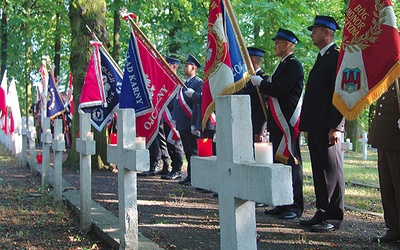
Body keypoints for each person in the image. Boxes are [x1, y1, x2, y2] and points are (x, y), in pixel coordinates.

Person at [251, 28, 304, 219]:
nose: (275, 46)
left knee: (291, 163)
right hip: (277, 122)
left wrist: (262, 84)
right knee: (279, 162)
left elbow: (281, 90)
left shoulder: (293, 65)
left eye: (278, 42)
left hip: (287, 121)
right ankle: (282, 202)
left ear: (287, 45)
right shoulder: (283, 64)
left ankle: (295, 205)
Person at [299, 15, 345, 232]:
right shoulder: (322, 57)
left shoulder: (336, 57)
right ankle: (322, 210)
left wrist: (336, 125)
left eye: (315, 30)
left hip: (328, 125)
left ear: (327, 33)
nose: (311, 34)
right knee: (319, 171)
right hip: (316, 125)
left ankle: (334, 215)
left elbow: (341, 93)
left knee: (331, 170)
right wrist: (307, 126)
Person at [368, 80, 400, 243]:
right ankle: (394, 228)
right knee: (387, 186)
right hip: (384, 134)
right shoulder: (389, 70)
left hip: (396, 135)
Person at [174, 54, 203, 186]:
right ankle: (190, 176)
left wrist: (195, 123)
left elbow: (199, 104)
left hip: (191, 122)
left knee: (194, 151)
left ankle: (195, 176)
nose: (184, 68)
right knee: (187, 150)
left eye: (187, 66)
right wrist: (175, 118)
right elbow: (177, 103)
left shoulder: (198, 83)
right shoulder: (183, 84)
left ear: (194, 68)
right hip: (182, 123)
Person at [160, 56, 185, 180]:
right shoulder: (165, 82)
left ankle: (178, 169)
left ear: (174, 66)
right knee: (169, 144)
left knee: (175, 144)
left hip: (174, 118)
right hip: (165, 117)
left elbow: (179, 102)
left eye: (167, 65)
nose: (164, 68)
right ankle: (172, 167)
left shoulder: (179, 83)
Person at [237, 47, 269, 142]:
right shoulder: (245, 80)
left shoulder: (264, 79)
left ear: (252, 60)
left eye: (244, 58)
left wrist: (260, 130)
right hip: (244, 126)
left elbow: (264, 106)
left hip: (256, 128)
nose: (242, 61)